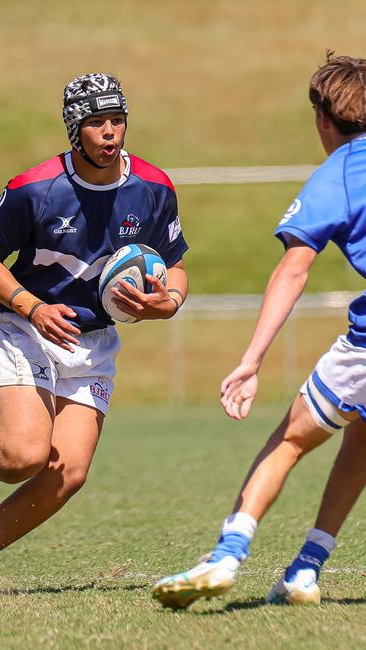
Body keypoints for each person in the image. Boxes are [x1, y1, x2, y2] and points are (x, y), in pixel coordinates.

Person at [0, 72, 189, 597]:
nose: (110, 133)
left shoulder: (154, 187)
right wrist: (31, 307)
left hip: (92, 343)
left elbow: (176, 267)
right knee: (23, 456)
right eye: (96, 122)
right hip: (26, 329)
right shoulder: (33, 190)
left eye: (117, 120)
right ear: (74, 129)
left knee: (68, 471)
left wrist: (168, 302)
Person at [152, 53, 366, 609]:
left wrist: (251, 358)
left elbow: (294, 268)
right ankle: (304, 570)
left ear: (323, 119)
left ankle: (226, 554)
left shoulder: (340, 173)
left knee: (291, 439)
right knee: (362, 436)